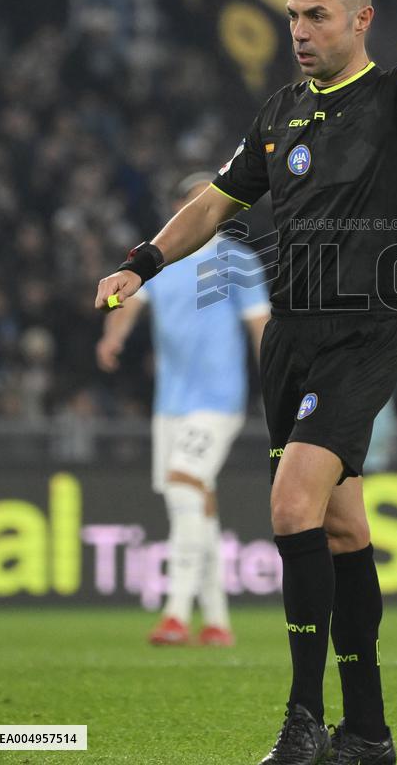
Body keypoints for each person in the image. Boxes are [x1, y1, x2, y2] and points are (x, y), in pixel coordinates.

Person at [95, 0, 397, 765]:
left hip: (364, 333)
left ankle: (302, 723)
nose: (299, 31)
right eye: (291, 16)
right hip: (292, 340)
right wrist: (142, 262)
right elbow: (213, 203)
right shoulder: (281, 111)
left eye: (316, 16)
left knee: (290, 509)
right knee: (343, 526)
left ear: (361, 20)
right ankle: (370, 733)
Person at [96, 173, 270, 647]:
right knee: (195, 501)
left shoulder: (237, 261)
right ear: (180, 206)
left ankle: (175, 613)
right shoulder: (162, 260)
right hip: (170, 403)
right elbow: (133, 299)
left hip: (217, 400)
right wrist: (113, 336)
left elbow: (260, 324)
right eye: (194, 200)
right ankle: (217, 620)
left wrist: (277, 381)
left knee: (183, 483)